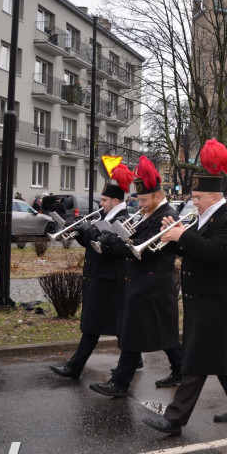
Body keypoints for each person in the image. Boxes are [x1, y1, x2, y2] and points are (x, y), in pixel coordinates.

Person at [143, 140, 227, 434]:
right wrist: (173, 237)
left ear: (215, 195)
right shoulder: (204, 217)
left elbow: (217, 252)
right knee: (221, 360)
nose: (194, 201)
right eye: (193, 196)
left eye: (198, 196)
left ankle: (174, 419)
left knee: (196, 361)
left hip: (216, 302)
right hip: (201, 299)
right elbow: (196, 251)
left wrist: (182, 237)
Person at [90, 156, 183, 398]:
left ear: (157, 197)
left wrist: (118, 243)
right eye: (138, 200)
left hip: (152, 282)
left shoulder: (167, 216)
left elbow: (144, 249)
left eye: (143, 199)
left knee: (134, 334)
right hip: (144, 282)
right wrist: (113, 241)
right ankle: (180, 368)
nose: (139, 204)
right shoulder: (149, 213)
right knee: (164, 332)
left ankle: (120, 382)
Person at [50, 163, 134, 378]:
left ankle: (74, 367)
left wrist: (88, 233)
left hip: (110, 278)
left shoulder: (122, 218)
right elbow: (92, 243)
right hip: (99, 276)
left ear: (115, 201)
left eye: (104, 200)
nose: (101, 203)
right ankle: (138, 359)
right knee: (114, 324)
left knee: (95, 325)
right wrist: (79, 232)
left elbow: (106, 246)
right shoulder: (105, 217)